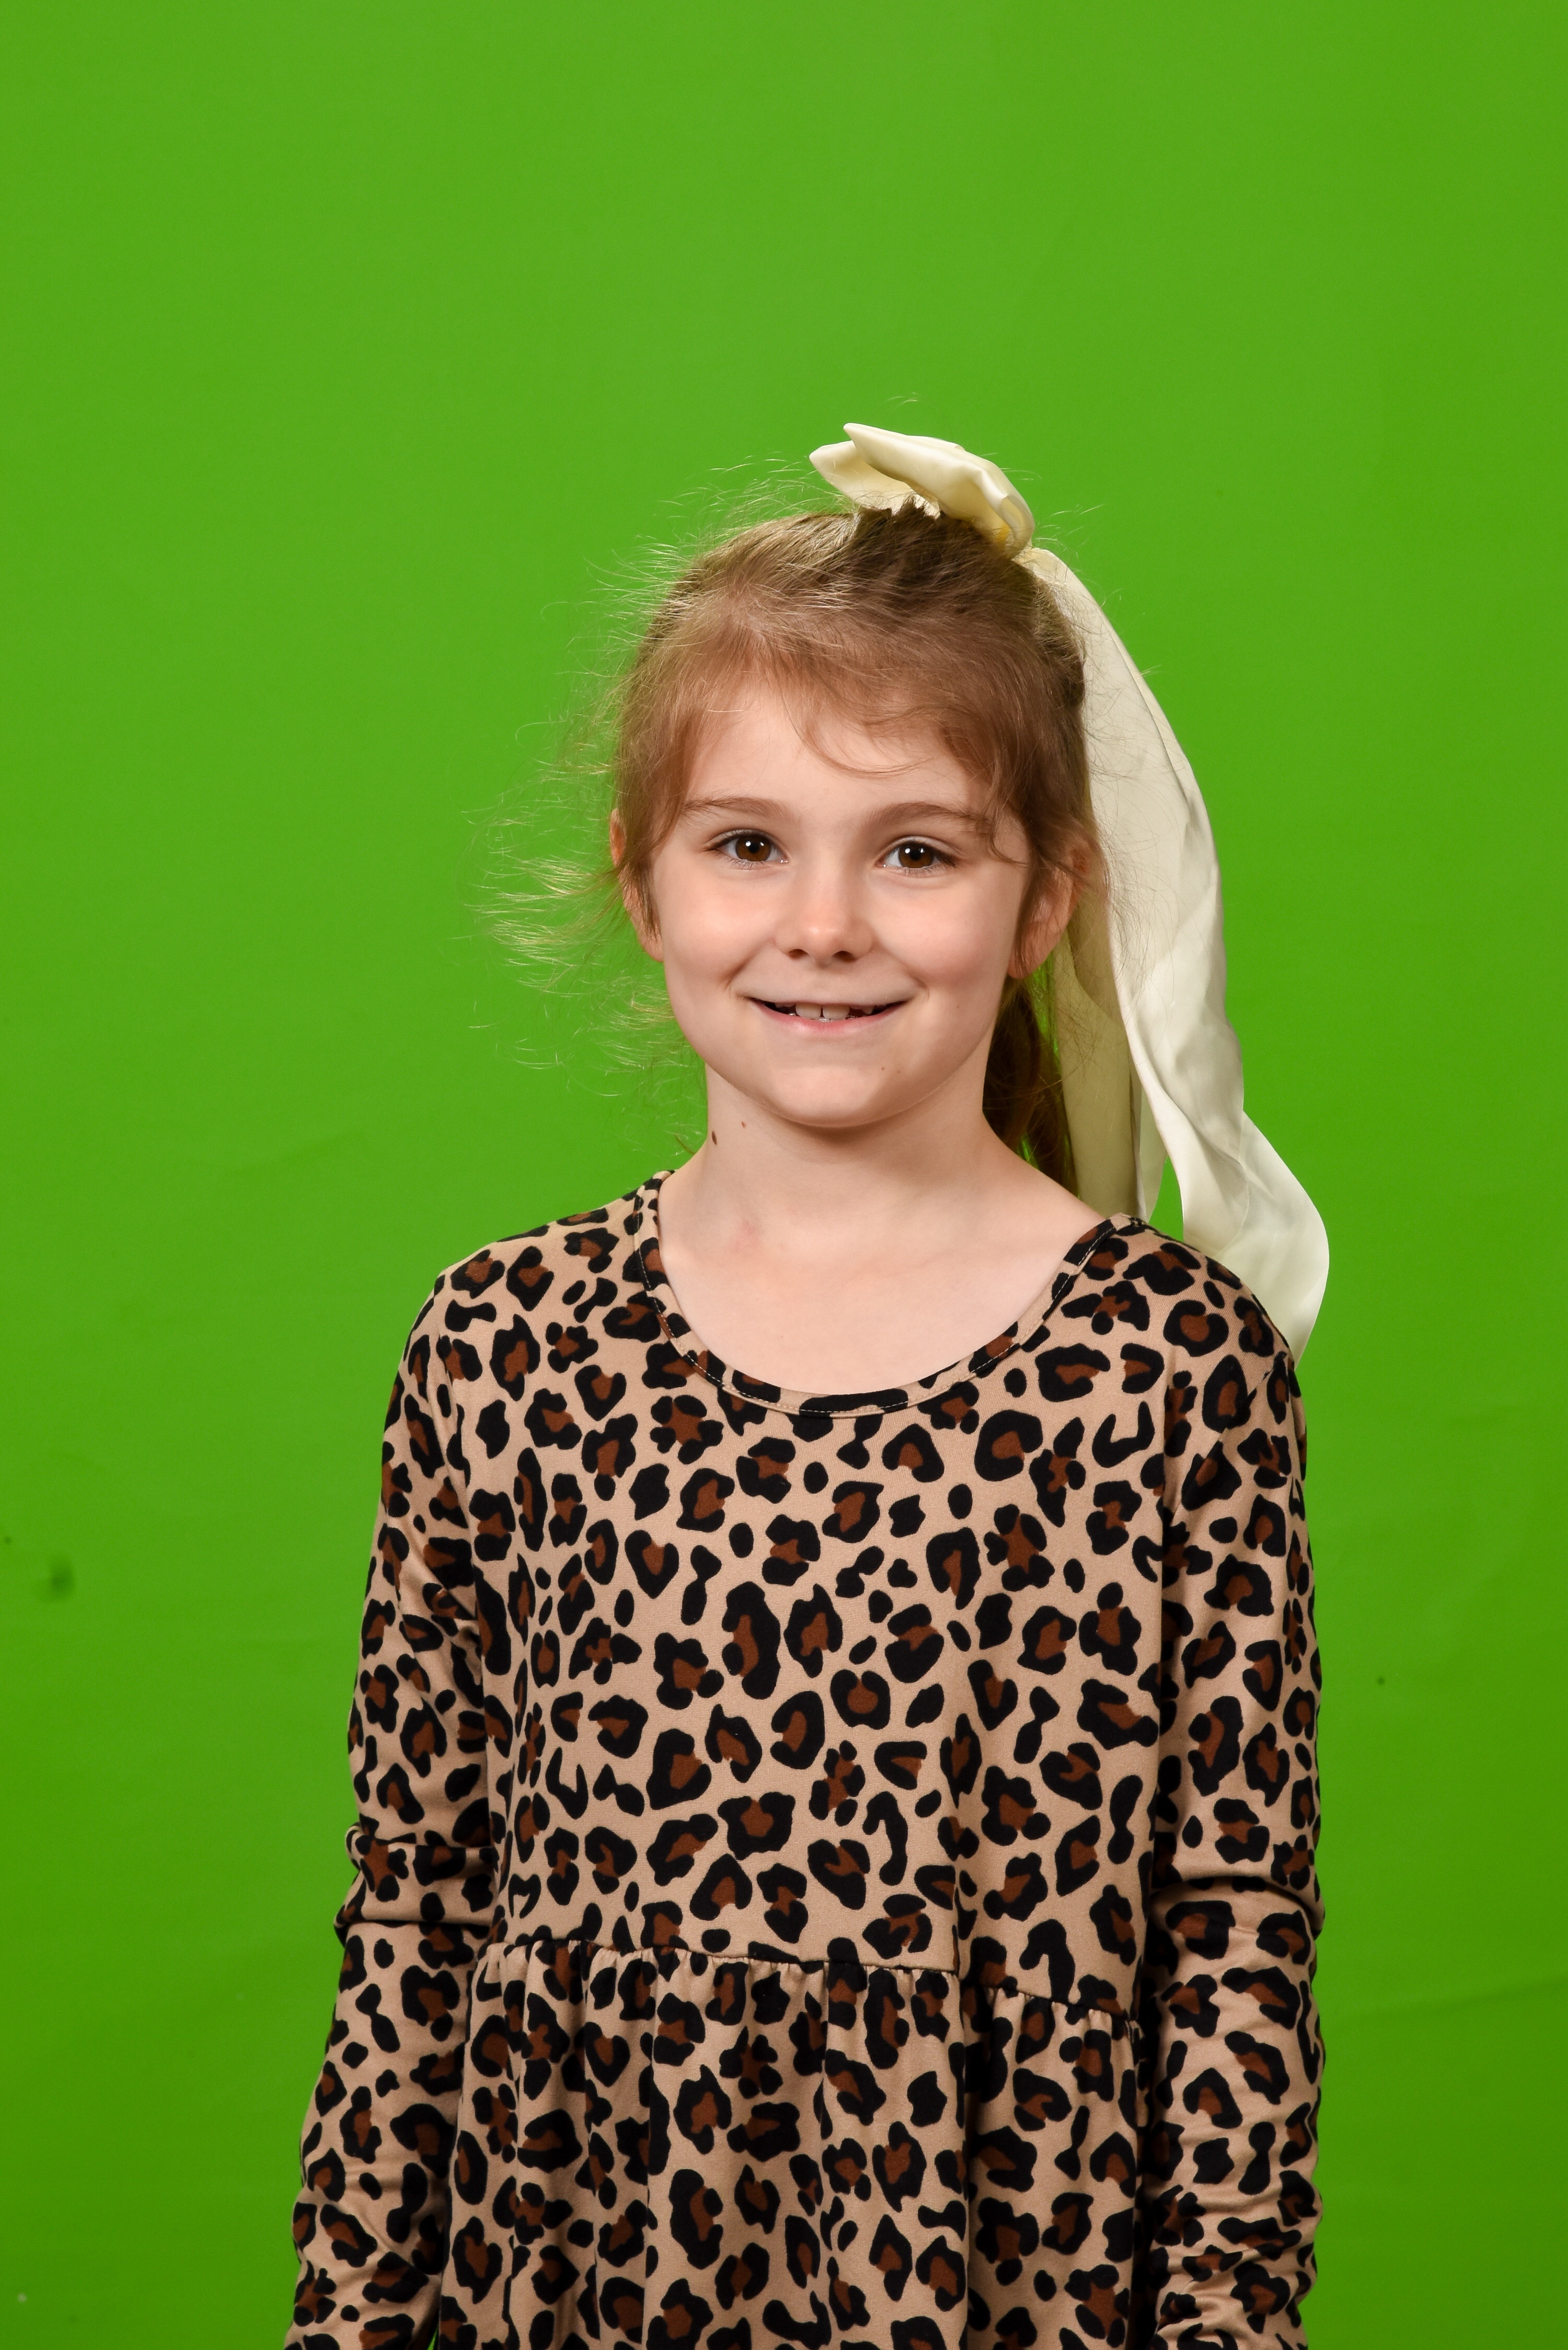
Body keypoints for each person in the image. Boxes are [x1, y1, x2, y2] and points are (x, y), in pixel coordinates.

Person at [284, 425, 1327, 2350]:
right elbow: (416, 1913)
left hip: (1003, 2287)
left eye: (915, 851)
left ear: (1043, 900)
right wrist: (351, 2318)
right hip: (573, 2277)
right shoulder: (505, 1346)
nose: (825, 924)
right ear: (642, 881)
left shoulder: (1170, 1370)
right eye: (748, 843)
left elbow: (1233, 1946)